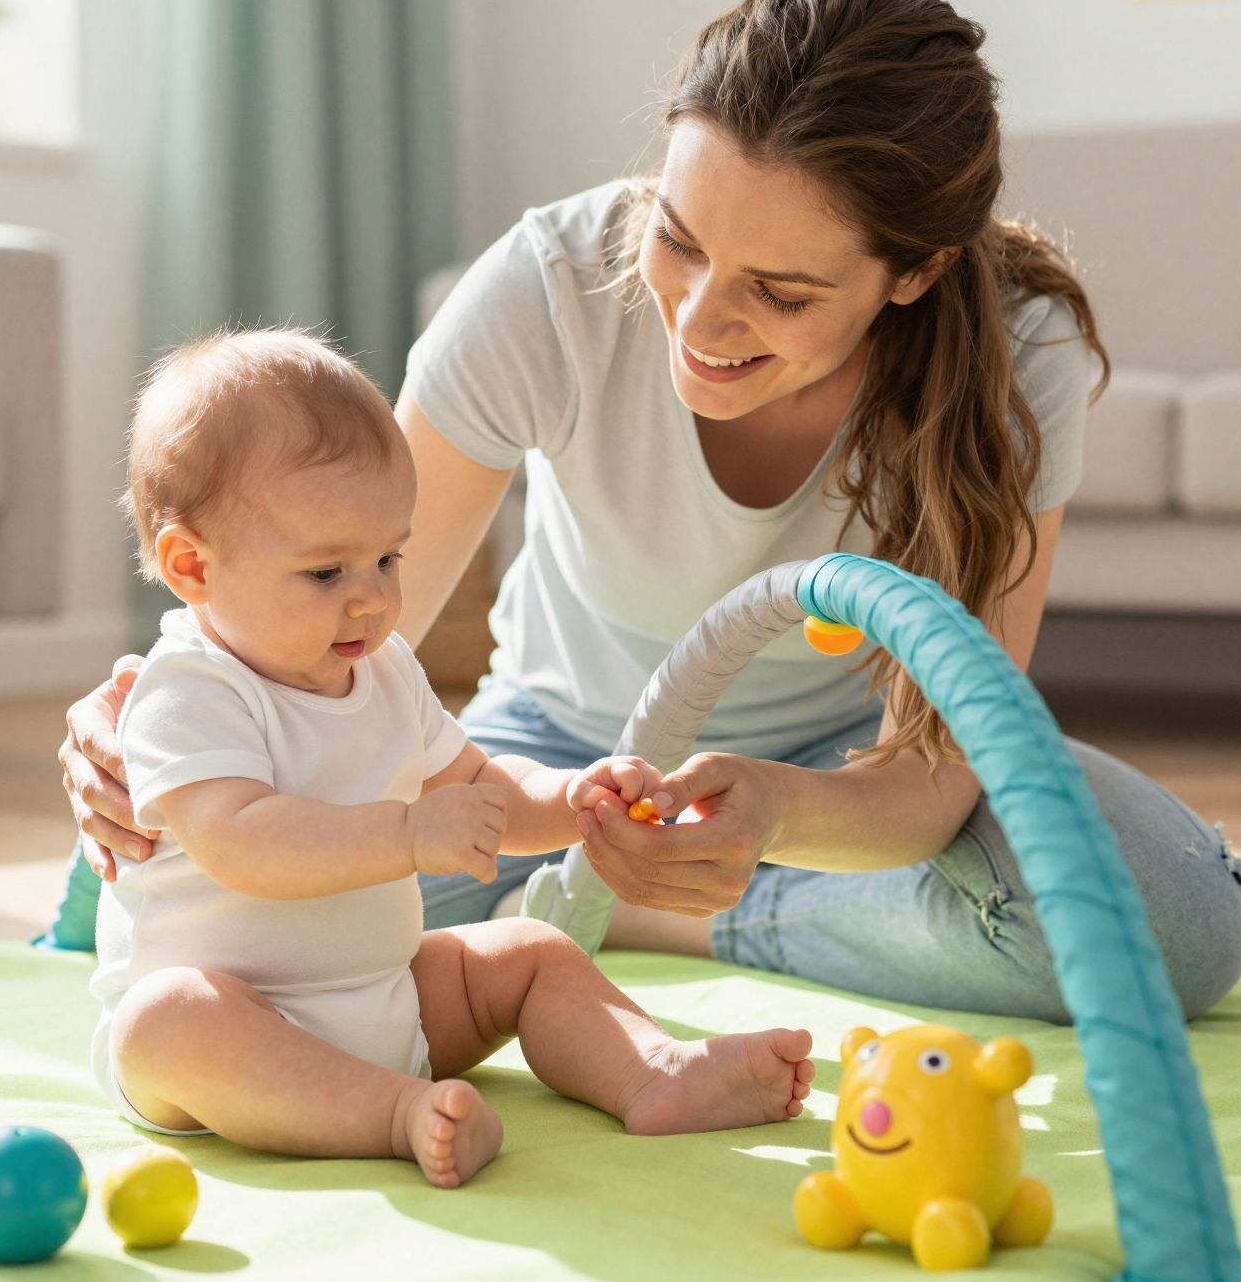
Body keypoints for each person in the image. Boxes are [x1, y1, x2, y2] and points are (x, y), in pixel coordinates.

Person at [58, 0, 1241, 1028]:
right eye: (679, 239)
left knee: (1171, 919)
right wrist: (170, 715)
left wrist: (771, 814)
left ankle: (656, 910)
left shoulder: (1016, 352)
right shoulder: (548, 288)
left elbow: (937, 768)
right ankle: (603, 889)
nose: (698, 320)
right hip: (547, 762)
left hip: (838, 780)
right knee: (193, 903)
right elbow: (345, 621)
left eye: (780, 293)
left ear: (915, 272)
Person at [93, 330, 814, 1188]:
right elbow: (244, 843)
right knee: (166, 1020)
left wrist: (573, 797)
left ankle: (654, 1071)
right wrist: (407, 835)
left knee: (532, 950)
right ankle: (396, 1114)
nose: (372, 598)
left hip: (391, 999)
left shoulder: (383, 670)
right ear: (191, 567)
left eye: (387, 557)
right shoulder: (188, 689)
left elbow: (478, 786)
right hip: (233, 1031)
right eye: (325, 573)